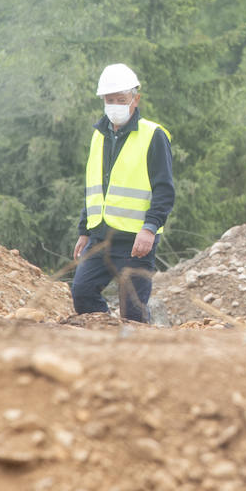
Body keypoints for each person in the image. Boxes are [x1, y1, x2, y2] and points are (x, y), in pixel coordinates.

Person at [72, 63, 174, 323]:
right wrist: (85, 230)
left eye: (121, 99)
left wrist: (150, 228)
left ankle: (137, 357)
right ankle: (106, 341)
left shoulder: (154, 135)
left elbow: (164, 189)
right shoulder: (98, 137)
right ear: (103, 101)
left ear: (135, 99)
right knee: (82, 294)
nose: (115, 104)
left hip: (135, 242)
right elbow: (96, 188)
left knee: (133, 313)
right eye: (110, 99)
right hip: (100, 237)